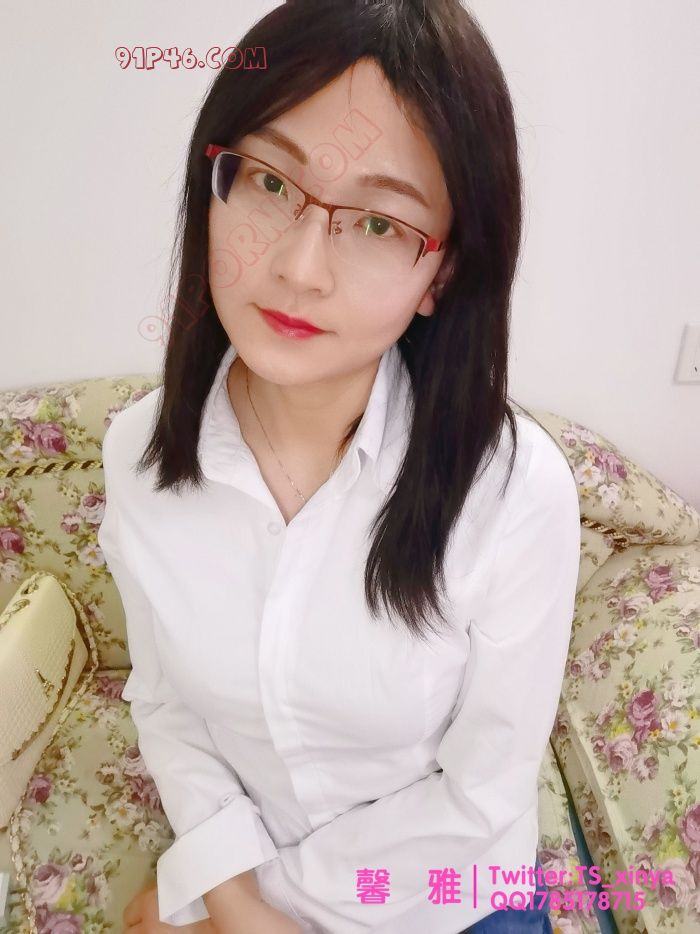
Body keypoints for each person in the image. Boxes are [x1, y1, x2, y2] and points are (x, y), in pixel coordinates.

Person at [98, 1, 581, 932]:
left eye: (377, 223)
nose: (299, 267)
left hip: (446, 899)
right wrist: (228, 890)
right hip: (243, 876)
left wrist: (250, 907)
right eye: (270, 181)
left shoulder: (515, 496)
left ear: (443, 273)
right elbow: (166, 706)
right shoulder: (138, 458)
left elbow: (480, 797)